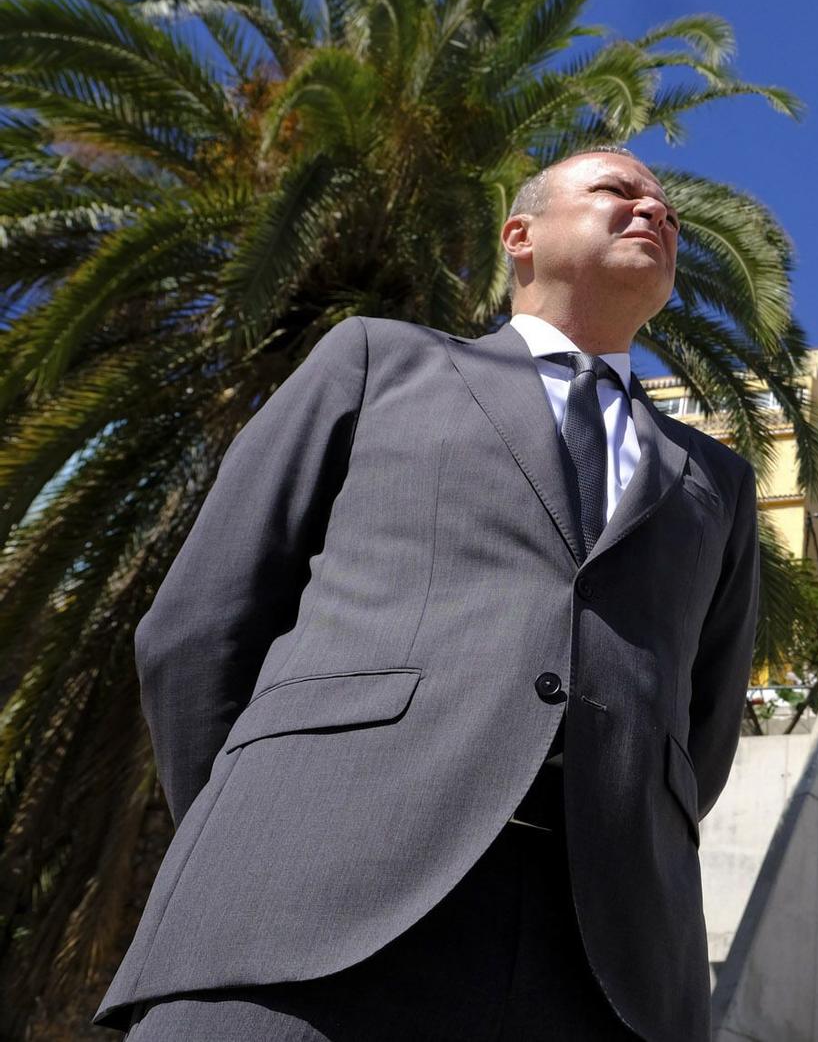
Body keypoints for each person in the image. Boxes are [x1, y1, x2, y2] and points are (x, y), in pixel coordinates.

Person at [97, 148, 760, 1040]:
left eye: (669, 213)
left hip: (608, 969)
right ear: (519, 237)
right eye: (617, 191)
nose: (655, 214)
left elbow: (703, 728)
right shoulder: (379, 361)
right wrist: (261, 828)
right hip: (301, 916)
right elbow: (201, 624)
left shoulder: (716, 477)